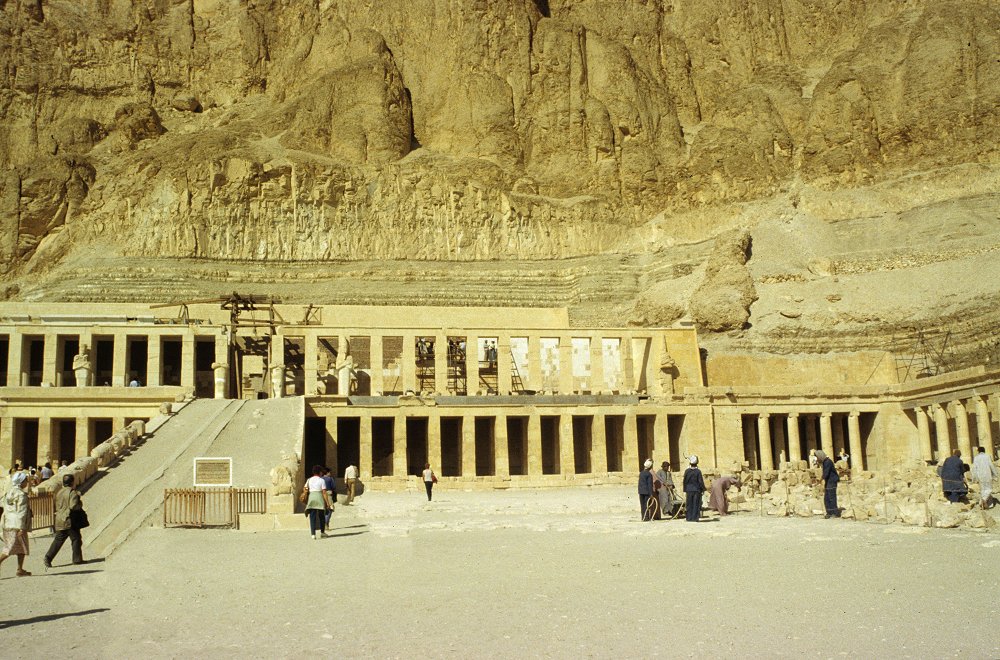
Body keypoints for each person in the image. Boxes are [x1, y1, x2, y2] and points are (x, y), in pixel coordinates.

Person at [44, 474, 85, 567]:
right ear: (72, 482)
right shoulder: (72, 492)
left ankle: (48, 557)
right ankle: (77, 559)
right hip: (69, 519)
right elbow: (73, 506)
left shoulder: (59, 492)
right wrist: (80, 504)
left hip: (60, 519)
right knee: (76, 539)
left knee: (59, 539)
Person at [0, 471, 33, 576]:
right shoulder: (21, 495)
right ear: (21, 482)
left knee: (21, 547)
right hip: (17, 525)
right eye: (25, 480)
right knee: (9, 548)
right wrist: (21, 527)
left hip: (8, 523)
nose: (27, 482)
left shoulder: (9, 492)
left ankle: (20, 569)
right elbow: (21, 512)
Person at [301, 465, 332, 540]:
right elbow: (324, 492)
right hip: (319, 497)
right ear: (320, 472)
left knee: (312, 516)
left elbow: (305, 488)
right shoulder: (321, 480)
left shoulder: (309, 480)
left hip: (311, 497)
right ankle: (322, 532)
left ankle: (313, 534)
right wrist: (327, 503)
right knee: (321, 516)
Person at [815, 450, 841, 517]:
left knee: (831, 497)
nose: (817, 459)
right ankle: (829, 512)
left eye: (817, 457)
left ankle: (835, 513)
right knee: (827, 498)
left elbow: (826, 473)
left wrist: (820, 480)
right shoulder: (825, 462)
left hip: (832, 481)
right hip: (829, 481)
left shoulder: (828, 462)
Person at [682, 456, 706, 522]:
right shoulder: (698, 471)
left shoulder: (687, 471)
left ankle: (689, 518)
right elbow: (700, 481)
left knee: (689, 504)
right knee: (696, 504)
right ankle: (695, 518)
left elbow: (685, 481)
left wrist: (685, 489)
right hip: (696, 490)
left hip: (689, 490)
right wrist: (703, 489)